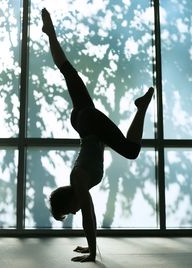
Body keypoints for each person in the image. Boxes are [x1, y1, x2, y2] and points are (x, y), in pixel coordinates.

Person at [41, 8, 154, 262]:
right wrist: (88, 246)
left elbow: (89, 216)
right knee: (68, 72)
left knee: (131, 150)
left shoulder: (78, 180)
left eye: (69, 212)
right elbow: (87, 215)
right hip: (82, 122)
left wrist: (92, 252)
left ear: (69, 201)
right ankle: (50, 33)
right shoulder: (79, 178)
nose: (74, 212)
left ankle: (141, 108)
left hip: (89, 125)